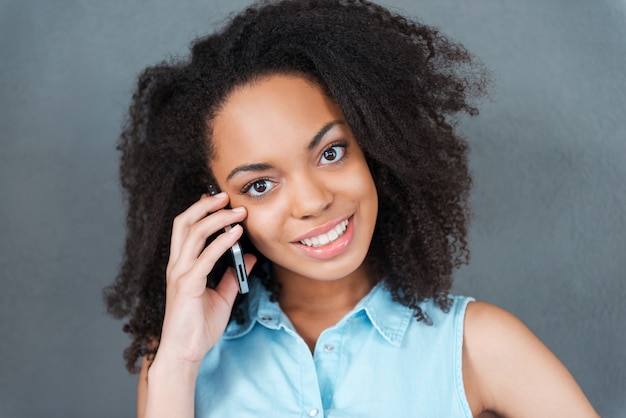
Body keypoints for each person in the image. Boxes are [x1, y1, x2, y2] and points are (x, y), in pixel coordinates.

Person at [104, 0, 599, 416]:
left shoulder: (480, 346)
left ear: (375, 146)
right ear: (211, 205)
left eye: (331, 153)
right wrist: (177, 363)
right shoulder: (177, 363)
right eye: (259, 185)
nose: (314, 201)